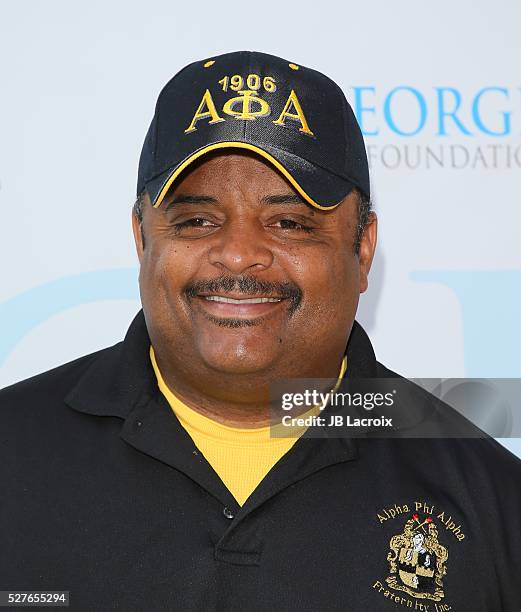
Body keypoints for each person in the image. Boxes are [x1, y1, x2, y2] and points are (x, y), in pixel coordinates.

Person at [1, 50, 520, 611]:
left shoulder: (493, 499)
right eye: (197, 220)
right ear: (142, 239)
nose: (240, 255)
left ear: (363, 249)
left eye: (290, 223)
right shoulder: (11, 449)